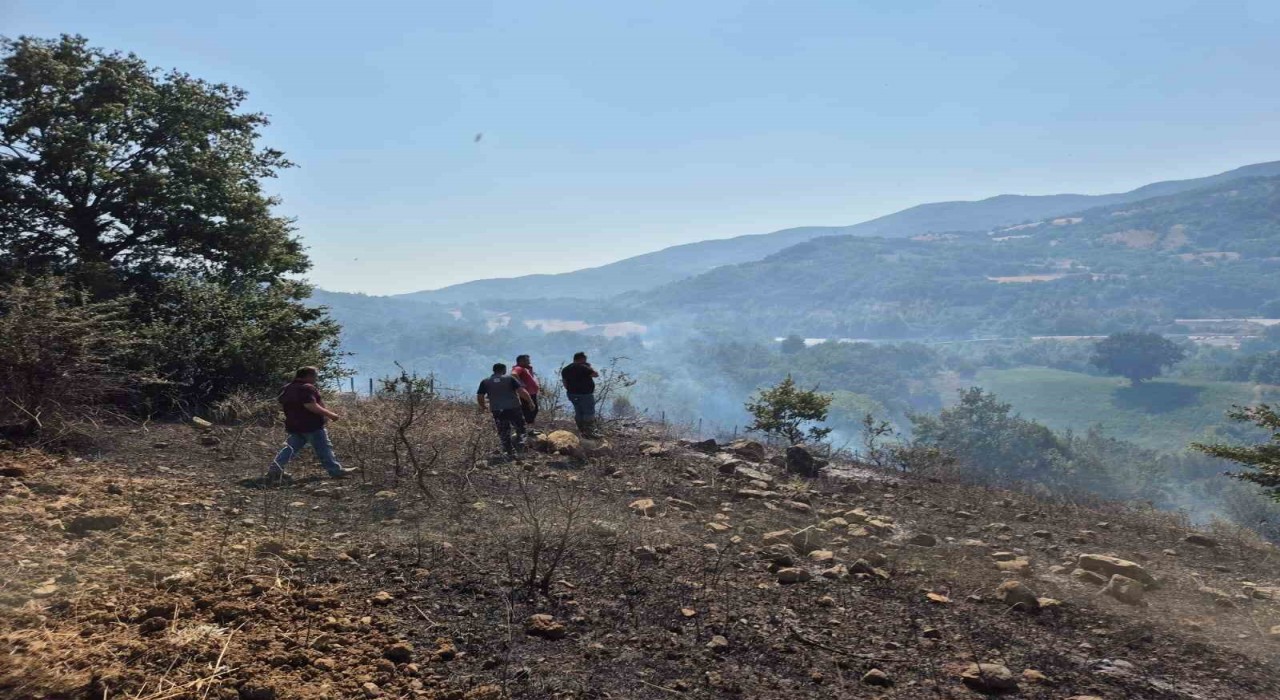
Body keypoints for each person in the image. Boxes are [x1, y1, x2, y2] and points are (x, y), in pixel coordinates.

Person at [268, 366, 356, 483]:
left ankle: (275, 470)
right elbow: (310, 405)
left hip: (293, 425)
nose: (316, 378)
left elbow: (283, 403)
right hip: (311, 425)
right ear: (308, 376)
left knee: (290, 448)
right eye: (315, 376)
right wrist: (331, 415)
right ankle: (335, 471)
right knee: (324, 448)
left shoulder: (286, 388)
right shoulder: (307, 388)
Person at [477, 362, 533, 458]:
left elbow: (480, 396)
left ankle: (509, 451)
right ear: (504, 370)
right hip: (513, 408)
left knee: (503, 431)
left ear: (494, 370)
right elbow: (521, 391)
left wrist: (483, 407)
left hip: (497, 410)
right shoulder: (510, 379)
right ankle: (521, 450)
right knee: (520, 428)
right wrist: (530, 401)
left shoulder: (485, 381)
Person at [560, 351, 600, 437]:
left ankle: (581, 431)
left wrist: (572, 390)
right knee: (588, 413)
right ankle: (590, 432)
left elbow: (565, 383)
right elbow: (595, 374)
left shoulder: (566, 369)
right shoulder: (584, 367)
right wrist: (589, 367)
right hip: (585, 395)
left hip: (572, 394)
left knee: (579, 412)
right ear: (582, 359)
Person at [510, 354, 541, 428]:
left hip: (531, 393)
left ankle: (529, 428)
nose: (529, 362)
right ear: (521, 361)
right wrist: (521, 384)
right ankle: (527, 429)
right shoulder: (518, 368)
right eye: (527, 360)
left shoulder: (525, 369)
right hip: (526, 394)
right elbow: (513, 374)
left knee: (533, 410)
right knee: (529, 411)